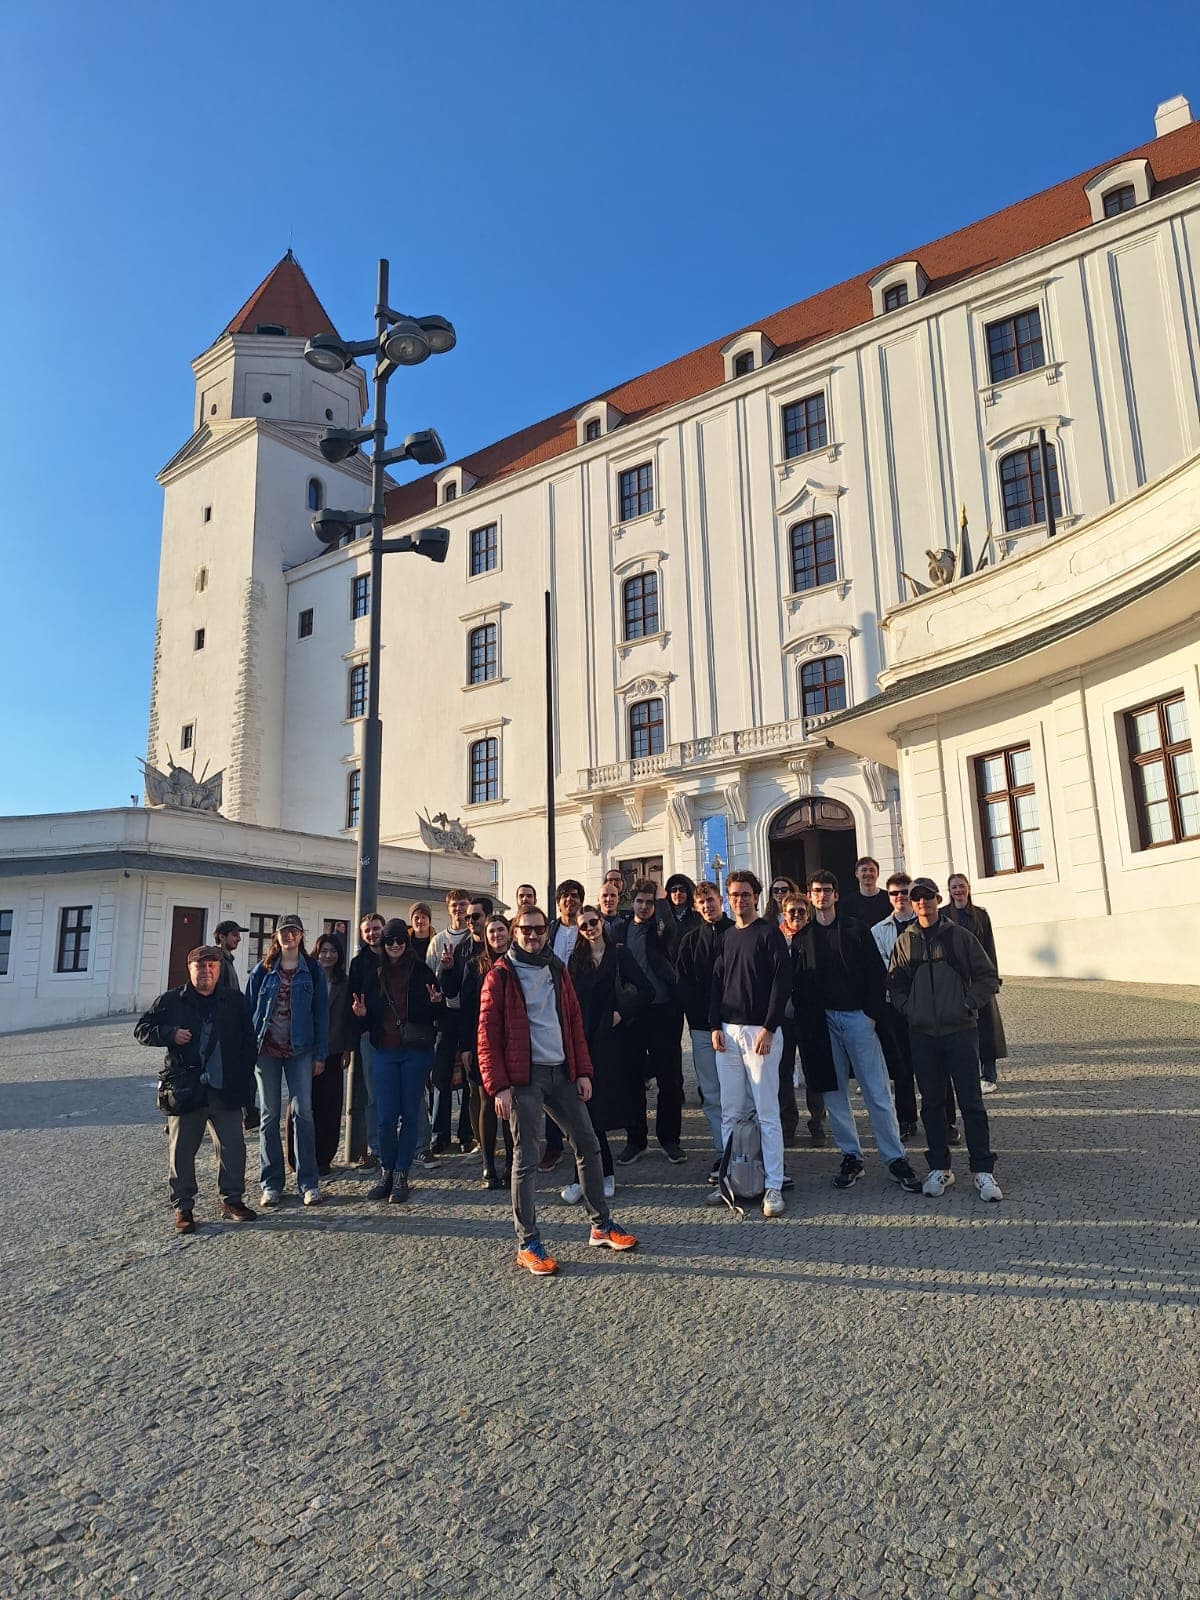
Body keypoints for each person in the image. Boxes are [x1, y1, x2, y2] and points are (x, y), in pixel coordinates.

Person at [477, 905, 638, 1275]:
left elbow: (573, 1021)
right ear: (515, 932)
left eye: (538, 930)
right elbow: (486, 1036)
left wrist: (582, 1071)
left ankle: (600, 1224)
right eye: (526, 930)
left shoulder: (556, 969)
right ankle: (528, 1242)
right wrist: (498, 1086)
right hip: (523, 1078)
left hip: (561, 1072)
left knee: (588, 1144)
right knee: (527, 1157)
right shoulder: (500, 976)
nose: (532, 936)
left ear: (546, 933)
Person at [792, 871, 922, 1194]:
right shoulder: (802, 937)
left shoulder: (855, 929)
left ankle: (895, 1157)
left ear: (836, 895)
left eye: (827, 890)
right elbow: (800, 986)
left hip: (857, 1018)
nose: (822, 895)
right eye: (816, 890)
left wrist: (870, 1015)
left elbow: (877, 973)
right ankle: (851, 1156)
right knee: (835, 1095)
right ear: (810, 895)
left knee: (876, 1090)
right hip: (823, 1024)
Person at [887, 879, 1003, 1201]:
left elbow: (988, 976)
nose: (922, 902)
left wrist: (967, 1004)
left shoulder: (959, 937)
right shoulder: (906, 942)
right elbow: (894, 984)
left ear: (938, 900)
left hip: (960, 1031)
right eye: (916, 898)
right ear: (911, 903)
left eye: (928, 897)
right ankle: (940, 1167)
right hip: (923, 1034)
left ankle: (983, 1171)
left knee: (971, 1103)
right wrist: (910, 1010)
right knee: (933, 1105)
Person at [135, 945, 259, 1233]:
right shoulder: (171, 1000)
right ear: (189, 969)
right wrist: (169, 1034)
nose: (205, 971)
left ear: (218, 969)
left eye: (211, 966)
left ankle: (232, 1200)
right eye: (199, 967)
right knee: (181, 1151)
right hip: (185, 1088)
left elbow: (248, 1042)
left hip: (224, 1088)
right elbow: (142, 1029)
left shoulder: (234, 1001)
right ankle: (183, 1208)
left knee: (233, 1148)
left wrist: (243, 1083)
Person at [707, 870, 791, 1218]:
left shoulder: (769, 934)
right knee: (730, 1111)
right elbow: (716, 982)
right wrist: (714, 1025)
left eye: (745, 894)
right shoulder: (726, 937)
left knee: (767, 1112)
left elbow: (782, 982)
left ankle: (773, 1184)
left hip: (760, 1033)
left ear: (755, 897)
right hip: (728, 1032)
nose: (739, 900)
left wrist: (770, 1028)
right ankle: (730, 1180)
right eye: (734, 894)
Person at [565, 906, 653, 1201]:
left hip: (612, 1042)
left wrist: (621, 1014)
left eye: (593, 922)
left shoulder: (619, 954)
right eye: (584, 925)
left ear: (602, 923)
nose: (589, 928)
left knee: (598, 1109)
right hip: (582, 1039)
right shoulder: (576, 960)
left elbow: (646, 990)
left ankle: (605, 1173)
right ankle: (581, 1176)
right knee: (580, 1111)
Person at [352, 918, 440, 1205]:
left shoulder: (422, 970)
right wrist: (362, 1014)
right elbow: (366, 1011)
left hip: (415, 1051)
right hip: (385, 1051)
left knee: (410, 1112)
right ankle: (386, 1171)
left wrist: (436, 1003)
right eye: (390, 941)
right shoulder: (374, 973)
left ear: (407, 942)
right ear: (383, 943)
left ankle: (402, 1173)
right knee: (386, 1116)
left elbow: (435, 1013)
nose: (395, 945)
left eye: (400, 940)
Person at [246, 915, 329, 1208]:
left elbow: (321, 1015)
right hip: (265, 1050)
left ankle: (308, 1182)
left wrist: (321, 1055)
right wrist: (247, 1050)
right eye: (284, 931)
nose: (289, 936)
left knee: (302, 1113)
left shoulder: (313, 971)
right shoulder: (263, 970)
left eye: (294, 931)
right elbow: (249, 1012)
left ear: (302, 935)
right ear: (277, 936)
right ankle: (271, 1184)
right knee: (269, 1116)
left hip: (301, 1051)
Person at [441, 914, 514, 1189]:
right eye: (492, 931)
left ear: (509, 933)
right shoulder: (474, 965)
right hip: (482, 1042)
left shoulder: (517, 962)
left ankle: (510, 1163)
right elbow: (467, 1008)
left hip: (512, 1042)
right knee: (485, 1101)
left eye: (501, 930)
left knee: (509, 1106)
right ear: (486, 935)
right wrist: (467, 1047)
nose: (496, 935)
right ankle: (488, 1165)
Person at [616, 878, 685, 1166]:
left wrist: (661, 905)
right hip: (633, 1013)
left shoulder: (663, 929)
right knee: (632, 1078)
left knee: (669, 1077)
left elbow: (671, 930)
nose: (644, 907)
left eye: (649, 902)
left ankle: (670, 1139)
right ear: (632, 902)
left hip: (663, 1010)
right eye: (640, 901)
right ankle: (636, 1140)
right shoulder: (620, 930)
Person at [676, 880, 734, 1183]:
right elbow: (683, 983)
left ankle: (746, 1150)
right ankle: (722, 1150)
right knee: (712, 1093)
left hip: (736, 1026)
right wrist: (699, 1014)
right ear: (696, 907)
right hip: (701, 1028)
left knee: (741, 1092)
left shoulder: (736, 933)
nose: (708, 906)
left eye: (711, 900)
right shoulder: (689, 941)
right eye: (702, 902)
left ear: (720, 900)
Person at [870, 874, 922, 1142]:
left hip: (926, 1006)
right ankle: (907, 1120)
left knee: (933, 1066)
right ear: (888, 897)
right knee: (901, 1069)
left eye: (904, 892)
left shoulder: (927, 924)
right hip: (894, 1007)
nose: (900, 897)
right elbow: (881, 968)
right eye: (894, 893)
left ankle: (945, 1121)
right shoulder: (878, 931)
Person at [946, 873, 1008, 1092]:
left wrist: (993, 978)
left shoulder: (981, 915)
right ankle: (966, 1074)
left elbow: (990, 947)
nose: (958, 891)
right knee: (961, 1029)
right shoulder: (944, 914)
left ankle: (989, 1074)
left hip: (980, 977)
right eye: (954, 887)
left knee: (986, 1028)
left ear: (968, 888)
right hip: (955, 981)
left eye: (961, 886)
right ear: (949, 891)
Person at [297, 932, 351, 1175]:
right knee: (303, 1106)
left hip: (333, 1049)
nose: (327, 956)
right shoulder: (305, 977)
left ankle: (324, 1158)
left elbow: (348, 1018)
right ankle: (298, 1157)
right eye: (323, 951)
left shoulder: (344, 982)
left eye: (333, 951)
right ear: (316, 953)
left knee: (330, 1107)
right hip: (305, 1050)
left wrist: (348, 1048)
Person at [427, 888, 476, 1153]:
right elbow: (429, 977)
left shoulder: (473, 938)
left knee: (470, 1072)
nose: (459, 909)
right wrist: (442, 967)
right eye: (455, 905)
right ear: (448, 909)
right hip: (445, 1014)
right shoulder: (438, 940)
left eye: (463, 905)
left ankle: (467, 1132)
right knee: (441, 1073)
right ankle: (439, 1132)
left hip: (468, 1013)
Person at [777, 892, 827, 1146]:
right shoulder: (775, 938)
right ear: (783, 913)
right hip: (783, 1015)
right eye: (791, 911)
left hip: (810, 1014)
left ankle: (817, 1122)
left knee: (813, 1070)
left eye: (801, 911)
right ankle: (788, 1122)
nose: (796, 915)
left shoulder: (817, 937)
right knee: (783, 1071)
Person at [347, 912, 385, 1167]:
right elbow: (353, 999)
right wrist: (360, 1024)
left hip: (398, 1034)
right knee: (372, 1095)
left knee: (406, 1094)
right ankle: (377, 1147)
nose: (372, 933)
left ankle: (412, 1145)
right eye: (367, 930)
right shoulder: (359, 962)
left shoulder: (397, 954)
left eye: (376, 928)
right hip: (370, 1035)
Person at [845, 857, 892, 929]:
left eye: (872, 870)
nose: (868, 873)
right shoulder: (848, 903)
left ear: (878, 874)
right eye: (864, 870)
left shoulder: (890, 898)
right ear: (856, 874)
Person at [551, 880, 585, 962]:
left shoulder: (588, 929)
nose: (569, 899)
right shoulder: (548, 931)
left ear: (581, 903)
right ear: (558, 904)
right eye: (565, 896)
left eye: (574, 895)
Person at [213, 920, 247, 994]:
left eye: (239, 935)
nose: (239, 939)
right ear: (222, 937)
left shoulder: (228, 959)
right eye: (235, 935)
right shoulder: (216, 960)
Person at [664, 873, 700, 942]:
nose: (678, 893)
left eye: (682, 889)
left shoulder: (697, 917)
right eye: (674, 890)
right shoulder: (665, 917)